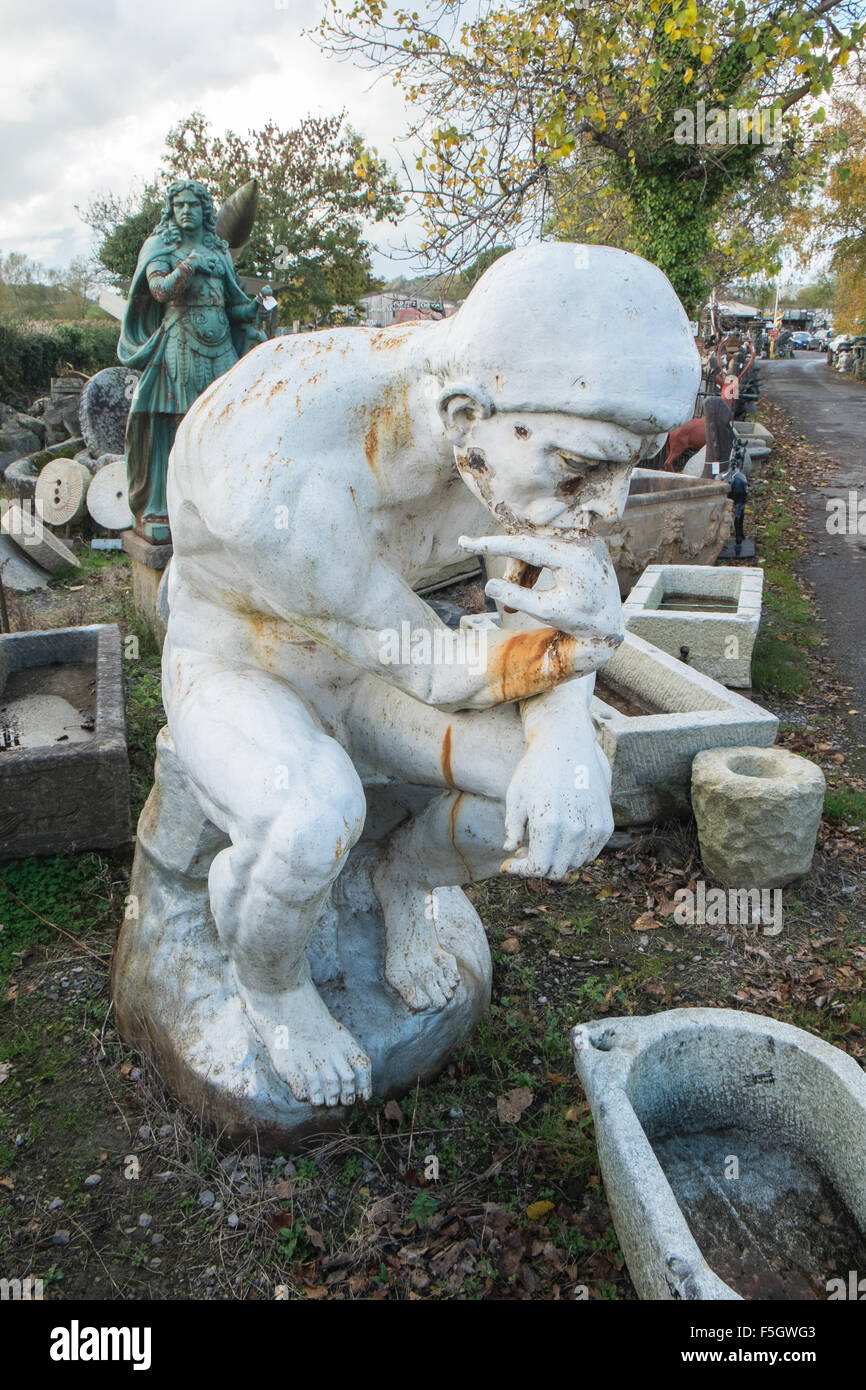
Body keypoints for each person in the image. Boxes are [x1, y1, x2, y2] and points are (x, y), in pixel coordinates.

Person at [156, 243, 700, 1107]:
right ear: (464, 411)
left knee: (543, 794)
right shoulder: (280, 477)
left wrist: (564, 737)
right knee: (311, 818)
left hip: (375, 661)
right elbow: (443, 669)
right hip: (242, 662)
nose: (608, 506)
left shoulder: (497, 429)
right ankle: (272, 989)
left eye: (630, 462)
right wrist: (578, 651)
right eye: (582, 468)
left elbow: (550, 592)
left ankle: (405, 880)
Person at [118, 179, 267, 541]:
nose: (186, 211)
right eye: (179, 205)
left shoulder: (218, 249)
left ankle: (216, 502)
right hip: (179, 344)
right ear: (172, 210)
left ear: (205, 210)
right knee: (172, 423)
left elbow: (233, 304)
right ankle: (159, 505)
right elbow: (159, 291)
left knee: (223, 423)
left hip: (220, 350)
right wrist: (187, 266)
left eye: (193, 205)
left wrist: (255, 308)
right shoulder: (161, 245)